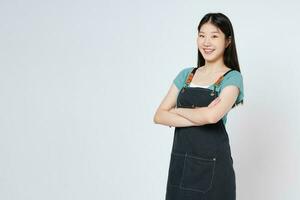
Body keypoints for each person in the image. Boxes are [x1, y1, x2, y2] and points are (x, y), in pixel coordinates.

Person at [153, 12, 244, 200]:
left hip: (214, 168)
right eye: (202, 35)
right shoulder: (186, 75)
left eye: (214, 36)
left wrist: (176, 112)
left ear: (228, 41)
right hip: (181, 165)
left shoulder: (232, 78)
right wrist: (200, 114)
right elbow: (160, 116)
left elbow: (212, 117)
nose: (206, 42)